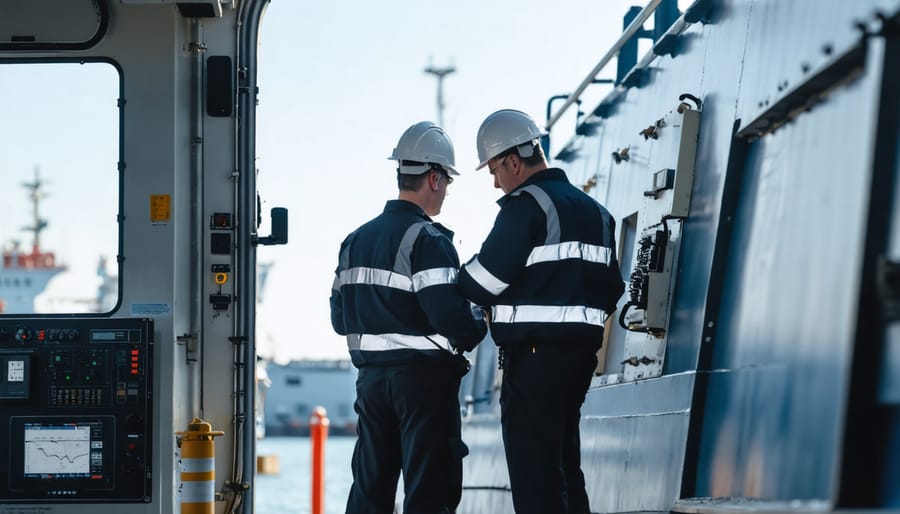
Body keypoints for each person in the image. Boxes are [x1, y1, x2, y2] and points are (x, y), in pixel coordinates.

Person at [458, 109, 625, 514]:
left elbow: (482, 282)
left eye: (494, 171)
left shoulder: (525, 206)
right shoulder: (597, 212)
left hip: (533, 360)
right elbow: (613, 290)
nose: (495, 183)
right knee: (566, 468)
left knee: (535, 475)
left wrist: (454, 277)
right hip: (580, 359)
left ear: (513, 161)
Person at [330, 121, 488, 514]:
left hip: (371, 384)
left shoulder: (354, 241)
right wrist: (479, 318)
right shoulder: (428, 240)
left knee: (370, 490)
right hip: (423, 386)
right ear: (434, 178)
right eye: (447, 182)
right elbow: (453, 322)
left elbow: (339, 320)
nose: (446, 191)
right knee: (430, 492)